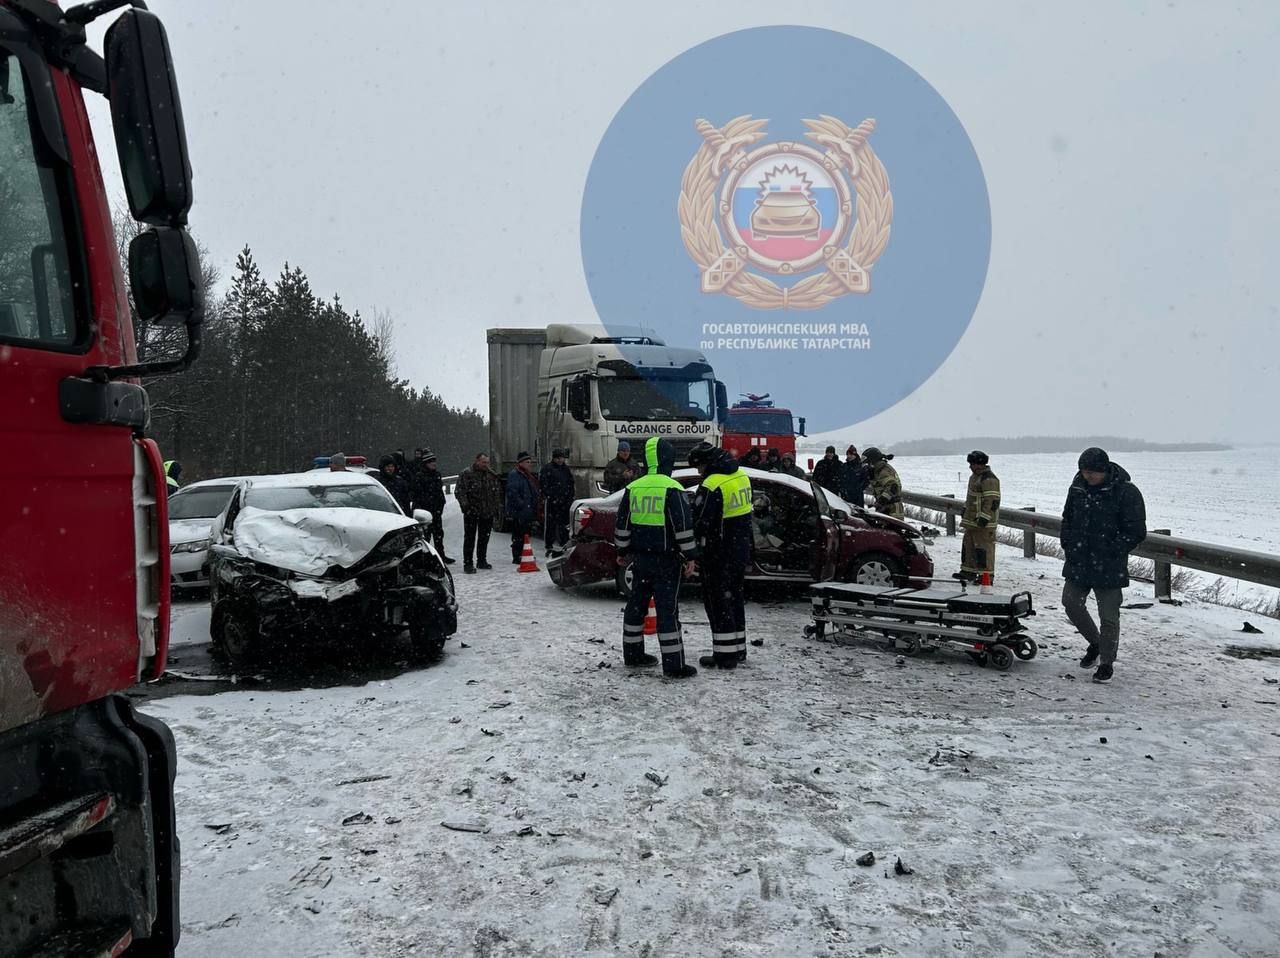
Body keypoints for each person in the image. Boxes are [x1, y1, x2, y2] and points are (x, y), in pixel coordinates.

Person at [1060, 447, 1146, 684]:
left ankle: (1106, 663)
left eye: (1092, 473)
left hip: (1109, 565)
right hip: (1078, 560)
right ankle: (1096, 643)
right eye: (1084, 472)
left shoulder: (1126, 492)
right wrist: (1068, 543)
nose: (1088, 476)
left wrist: (1111, 549)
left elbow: (1136, 531)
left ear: (1104, 470)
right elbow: (1067, 518)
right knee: (1071, 603)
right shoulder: (1077, 488)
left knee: (1109, 616)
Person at [614, 436, 698, 679]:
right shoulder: (673, 489)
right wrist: (690, 556)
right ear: (668, 460)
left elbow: (622, 525)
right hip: (667, 560)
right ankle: (674, 665)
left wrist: (622, 552)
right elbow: (683, 528)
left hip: (640, 560)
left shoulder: (633, 488)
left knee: (635, 607)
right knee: (667, 611)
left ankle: (633, 655)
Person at [689, 441, 753, 667]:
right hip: (739, 550)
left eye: (699, 468)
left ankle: (725, 656)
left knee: (718, 602)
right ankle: (738, 649)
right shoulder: (741, 476)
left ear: (706, 464)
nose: (698, 472)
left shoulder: (712, 484)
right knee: (734, 598)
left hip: (718, 553)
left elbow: (701, 522)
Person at [455, 452, 502, 573]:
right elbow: (460, 491)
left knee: (484, 538)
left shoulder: (490, 474)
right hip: (472, 511)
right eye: (483, 462)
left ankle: (482, 560)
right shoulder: (467, 473)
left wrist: (495, 508)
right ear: (477, 461)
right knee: (470, 538)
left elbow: (496, 492)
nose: (485, 465)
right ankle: (468, 563)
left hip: (487, 511)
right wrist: (466, 507)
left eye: (487, 462)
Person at [959, 450, 1001, 583]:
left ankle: (986, 576)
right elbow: (970, 497)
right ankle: (968, 571)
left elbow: (992, 501)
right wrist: (965, 510)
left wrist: (984, 517)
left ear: (980, 464)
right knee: (969, 547)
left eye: (972, 463)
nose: (970, 466)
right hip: (971, 521)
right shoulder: (974, 477)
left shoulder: (989, 479)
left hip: (984, 523)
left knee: (984, 549)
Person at [416, 449, 454, 564]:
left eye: (434, 461)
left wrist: (440, 506)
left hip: (436, 511)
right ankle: (425, 558)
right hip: (425, 513)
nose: (434, 463)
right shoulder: (419, 476)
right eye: (431, 462)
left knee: (438, 535)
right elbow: (417, 495)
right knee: (425, 537)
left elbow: (439, 493)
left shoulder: (437, 475)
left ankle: (440, 556)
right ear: (426, 463)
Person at [505, 451, 541, 564]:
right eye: (527, 462)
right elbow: (512, 492)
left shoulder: (527, 475)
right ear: (521, 463)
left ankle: (524, 554)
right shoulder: (515, 475)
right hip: (520, 511)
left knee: (525, 534)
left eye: (530, 462)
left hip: (526, 510)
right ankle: (517, 556)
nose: (529, 464)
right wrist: (522, 505)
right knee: (518, 534)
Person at [539, 448, 576, 556]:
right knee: (550, 524)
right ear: (554, 458)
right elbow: (544, 485)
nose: (561, 460)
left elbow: (570, 483)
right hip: (553, 501)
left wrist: (570, 496)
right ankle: (549, 545)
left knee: (564, 524)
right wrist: (551, 496)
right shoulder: (547, 469)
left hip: (565, 501)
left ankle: (563, 542)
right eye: (558, 458)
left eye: (562, 458)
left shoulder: (565, 469)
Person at [862, 447, 904, 519]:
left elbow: (892, 487)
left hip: (892, 509)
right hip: (885, 507)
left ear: (873, 462)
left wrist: (881, 502)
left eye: (867, 464)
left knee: (892, 529)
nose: (867, 466)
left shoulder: (884, 471)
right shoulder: (877, 471)